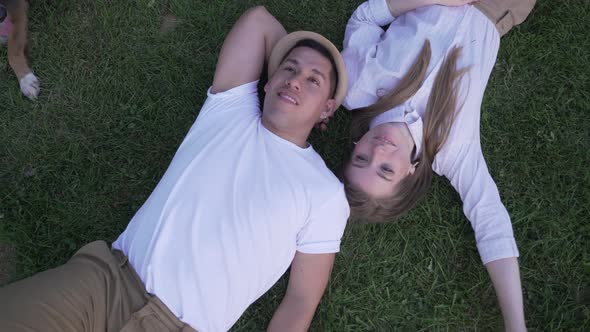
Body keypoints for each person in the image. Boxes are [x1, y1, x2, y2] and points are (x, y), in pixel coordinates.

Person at [0, 6, 349, 331]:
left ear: (327, 109)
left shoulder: (324, 193)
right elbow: (258, 20)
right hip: (106, 281)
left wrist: (292, 72)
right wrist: (290, 71)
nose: (296, 80)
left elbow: (300, 301)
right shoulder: (232, 111)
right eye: (289, 69)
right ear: (269, 80)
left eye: (314, 80)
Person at [340, 0, 535, 330]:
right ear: (409, 173)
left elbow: (365, 18)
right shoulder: (452, 149)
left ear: (355, 145)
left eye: (362, 159)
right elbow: (490, 220)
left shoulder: (359, 89)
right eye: (385, 169)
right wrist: (516, 326)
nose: (379, 151)